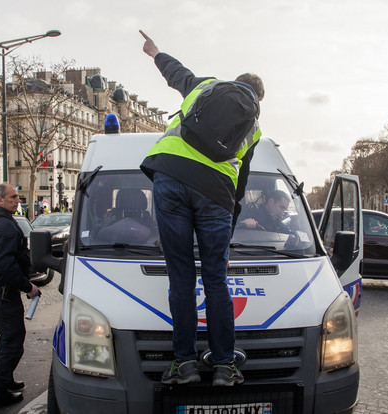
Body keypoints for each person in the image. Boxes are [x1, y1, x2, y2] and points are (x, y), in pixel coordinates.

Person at [138, 30, 264, 387]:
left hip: (171, 174)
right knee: (216, 279)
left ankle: (186, 364)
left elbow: (177, 73)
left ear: (233, 84)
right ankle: (225, 366)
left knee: (181, 276)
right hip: (216, 194)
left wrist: (155, 52)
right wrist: (228, 235)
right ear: (259, 100)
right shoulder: (253, 128)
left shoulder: (207, 87)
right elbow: (241, 184)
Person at [0, 183, 40, 409]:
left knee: (6, 337)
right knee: (13, 340)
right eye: (12, 197)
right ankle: (0, 393)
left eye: (18, 197)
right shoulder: (3, 225)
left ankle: (0, 380)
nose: (17, 200)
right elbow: (5, 264)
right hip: (2, 290)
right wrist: (27, 287)